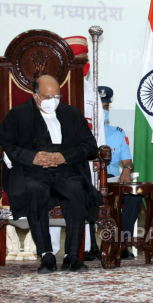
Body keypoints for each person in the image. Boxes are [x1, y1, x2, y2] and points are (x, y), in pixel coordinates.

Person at [0, 75, 103, 273]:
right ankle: (46, 255)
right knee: (34, 190)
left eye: (57, 96)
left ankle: (72, 255)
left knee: (77, 189)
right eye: (47, 96)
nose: (53, 101)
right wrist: (31, 157)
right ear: (35, 96)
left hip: (66, 170)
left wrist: (64, 156)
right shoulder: (18, 115)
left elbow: (90, 146)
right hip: (31, 171)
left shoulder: (72, 114)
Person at [47, 36, 105, 261]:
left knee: (84, 198)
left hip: (86, 155)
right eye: (79, 60)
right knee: (55, 198)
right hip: (57, 156)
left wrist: (99, 152)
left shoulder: (92, 90)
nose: (84, 65)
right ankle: (51, 250)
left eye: (86, 60)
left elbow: (98, 125)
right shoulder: (53, 88)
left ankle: (88, 246)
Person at [100, 86, 139, 260]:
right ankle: (91, 248)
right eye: (100, 107)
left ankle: (122, 243)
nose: (103, 110)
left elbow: (127, 159)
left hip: (113, 180)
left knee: (134, 196)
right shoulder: (82, 132)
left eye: (106, 107)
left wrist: (127, 169)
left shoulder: (117, 133)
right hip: (90, 179)